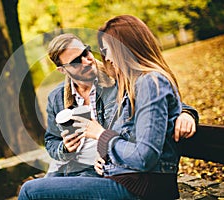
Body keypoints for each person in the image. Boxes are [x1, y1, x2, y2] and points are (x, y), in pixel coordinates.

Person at [44, 33, 198, 178]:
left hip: (104, 167)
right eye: (76, 61)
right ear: (62, 70)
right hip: (69, 167)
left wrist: (186, 113)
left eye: (85, 53)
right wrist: (64, 148)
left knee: (35, 191)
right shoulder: (56, 97)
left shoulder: (118, 78)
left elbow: (158, 98)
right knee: (35, 191)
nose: (86, 61)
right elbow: (51, 140)